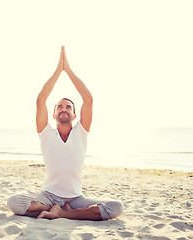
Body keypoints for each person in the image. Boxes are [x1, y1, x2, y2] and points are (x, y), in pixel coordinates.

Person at [7, 46, 123, 220]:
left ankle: (62, 213)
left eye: (68, 107)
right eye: (59, 106)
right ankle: (52, 208)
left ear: (74, 115)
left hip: (76, 198)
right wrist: (57, 71)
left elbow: (88, 99)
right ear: (53, 114)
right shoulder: (46, 133)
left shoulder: (81, 131)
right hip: (48, 194)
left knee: (116, 207)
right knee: (14, 202)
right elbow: (40, 100)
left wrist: (67, 70)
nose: (64, 109)